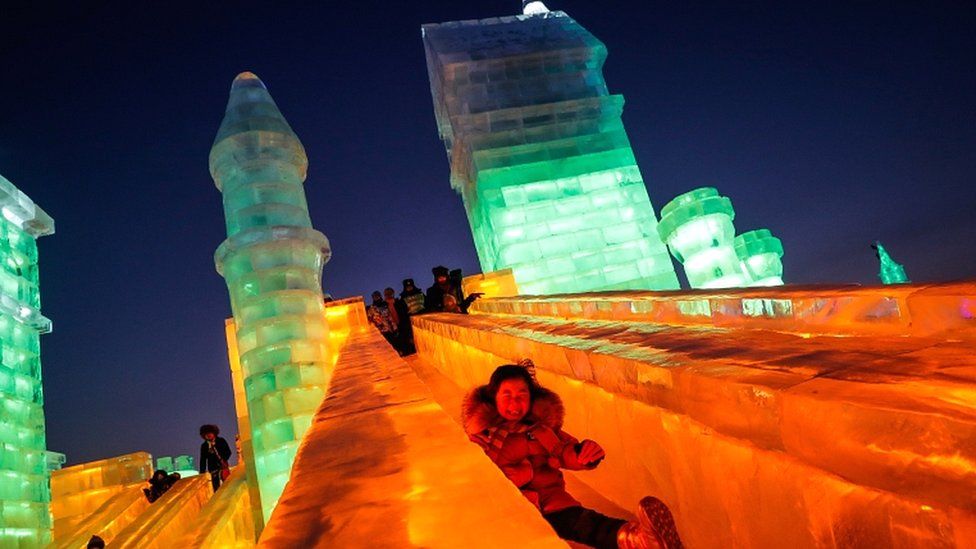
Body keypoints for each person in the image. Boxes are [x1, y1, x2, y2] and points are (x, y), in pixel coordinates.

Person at [462, 361, 683, 549]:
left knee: (584, 522)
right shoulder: (484, 436)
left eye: (522, 394)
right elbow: (474, 478)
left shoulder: (541, 429)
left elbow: (564, 450)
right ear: (494, 398)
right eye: (507, 395)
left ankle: (639, 539)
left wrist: (584, 454)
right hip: (511, 510)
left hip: (550, 500)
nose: (515, 403)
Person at [199, 424, 233, 492]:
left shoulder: (221, 440)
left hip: (223, 467)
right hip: (213, 469)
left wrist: (223, 459)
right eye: (206, 434)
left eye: (210, 433)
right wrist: (202, 473)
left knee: (228, 484)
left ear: (214, 433)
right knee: (216, 488)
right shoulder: (204, 446)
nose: (208, 435)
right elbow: (203, 459)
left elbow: (228, 452)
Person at [385, 287, 414, 355]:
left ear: (393, 294)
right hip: (392, 329)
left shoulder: (400, 302)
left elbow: (405, 314)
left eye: (390, 293)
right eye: (387, 294)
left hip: (402, 326)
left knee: (406, 344)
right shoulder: (384, 306)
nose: (388, 295)